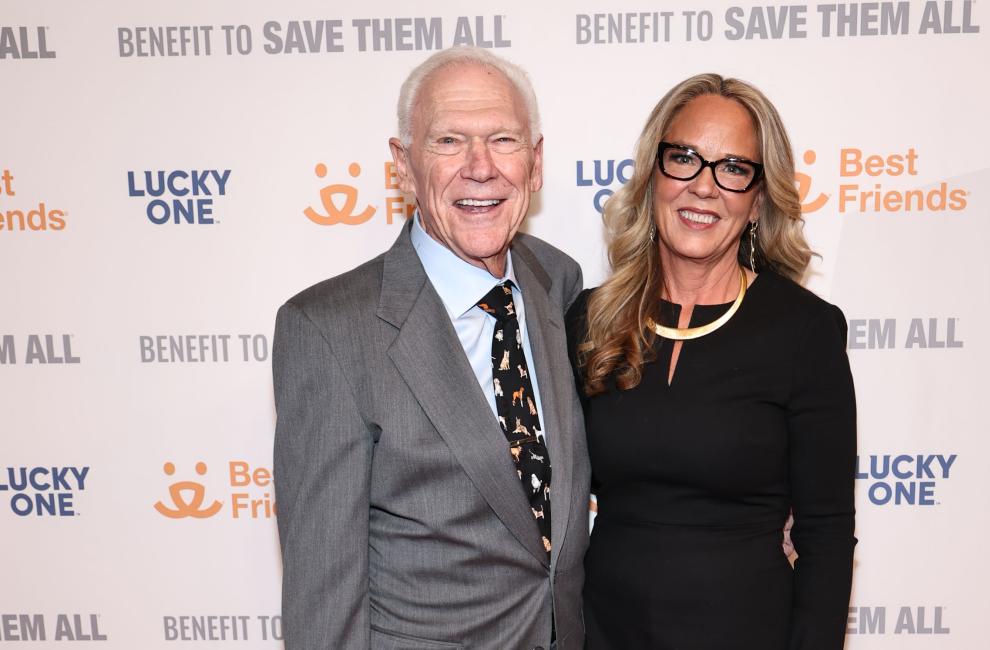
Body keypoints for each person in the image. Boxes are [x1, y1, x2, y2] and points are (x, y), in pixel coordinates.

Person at [273, 47, 589, 650]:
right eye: (448, 141)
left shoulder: (557, 281)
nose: (480, 167)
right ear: (403, 165)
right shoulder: (329, 331)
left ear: (536, 162)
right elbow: (323, 600)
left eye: (503, 139)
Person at [567, 73, 856, 649]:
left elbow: (825, 534)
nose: (704, 187)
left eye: (733, 168)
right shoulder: (591, 319)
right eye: (684, 158)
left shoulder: (805, 332)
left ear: (758, 200)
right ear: (653, 176)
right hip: (604, 633)